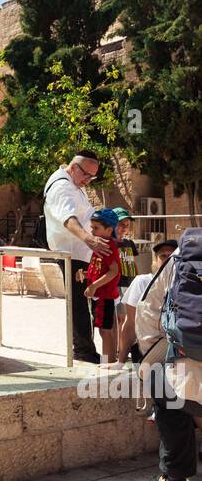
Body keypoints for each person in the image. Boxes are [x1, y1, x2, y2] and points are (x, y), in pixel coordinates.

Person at [135, 232, 201, 481]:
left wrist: (155, 352)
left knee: (162, 383)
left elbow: (148, 309)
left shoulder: (183, 254)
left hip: (186, 375)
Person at [43, 151, 110, 364]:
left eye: (92, 177)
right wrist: (89, 239)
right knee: (79, 304)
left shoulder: (73, 184)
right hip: (72, 252)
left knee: (85, 301)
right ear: (74, 168)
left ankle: (88, 349)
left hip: (81, 252)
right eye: (86, 176)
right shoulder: (62, 186)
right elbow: (68, 219)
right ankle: (83, 351)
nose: (88, 181)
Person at [118, 239, 177, 365]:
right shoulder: (142, 282)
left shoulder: (186, 285)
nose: (167, 259)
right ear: (155, 260)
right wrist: (120, 362)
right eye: (163, 256)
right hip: (147, 351)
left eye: (171, 256)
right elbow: (130, 324)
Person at [82, 208, 121, 362]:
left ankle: (108, 362)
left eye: (96, 228)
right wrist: (86, 275)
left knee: (106, 331)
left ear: (109, 229)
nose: (92, 232)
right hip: (101, 294)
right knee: (104, 330)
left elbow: (113, 271)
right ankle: (109, 361)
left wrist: (93, 286)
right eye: (91, 228)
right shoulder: (100, 245)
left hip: (104, 294)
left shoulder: (107, 246)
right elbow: (100, 268)